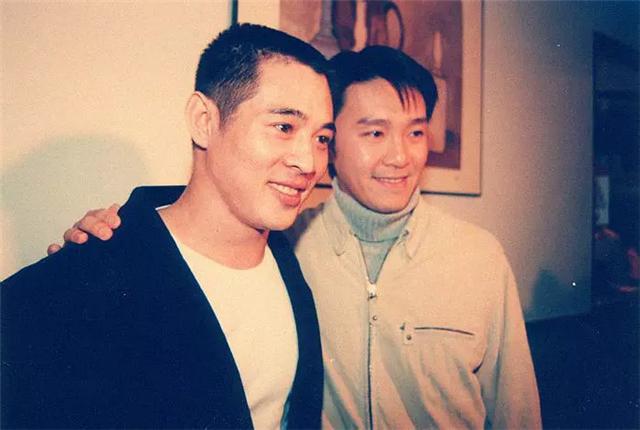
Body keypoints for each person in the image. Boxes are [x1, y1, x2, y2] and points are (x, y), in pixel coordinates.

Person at [49, 46, 542, 428]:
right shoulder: (286, 242)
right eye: (374, 133)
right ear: (336, 143)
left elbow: (517, 413)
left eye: (415, 133)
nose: (400, 156)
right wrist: (112, 240)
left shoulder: (478, 258)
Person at [1, 23, 335, 429]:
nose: (309, 162)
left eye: (322, 138)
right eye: (284, 127)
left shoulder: (288, 259)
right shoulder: (78, 282)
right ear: (203, 120)